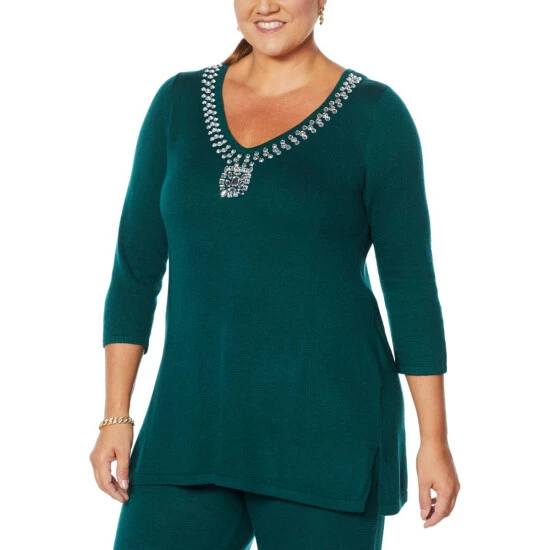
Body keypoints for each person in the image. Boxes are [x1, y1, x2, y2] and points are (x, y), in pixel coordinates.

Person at [89, 1, 461, 548]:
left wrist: (434, 441)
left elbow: (410, 289)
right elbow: (135, 270)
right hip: (190, 426)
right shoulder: (177, 104)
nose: (266, 5)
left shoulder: (375, 115)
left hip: (328, 434)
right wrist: (115, 416)